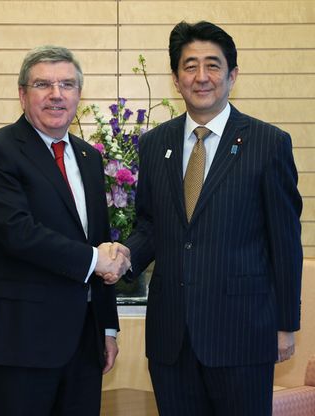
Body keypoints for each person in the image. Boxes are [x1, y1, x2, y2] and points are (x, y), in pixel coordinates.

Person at [103, 21, 303, 415]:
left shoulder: (268, 143)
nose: (201, 76)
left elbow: (284, 241)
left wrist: (285, 325)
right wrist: (125, 254)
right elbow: (151, 225)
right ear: (176, 79)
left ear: (232, 75)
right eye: (189, 66)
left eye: (213, 65)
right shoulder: (155, 143)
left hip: (242, 334)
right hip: (172, 336)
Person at [0, 45, 130, 416]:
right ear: (22, 94)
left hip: (83, 348)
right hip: (17, 345)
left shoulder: (89, 158)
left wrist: (107, 328)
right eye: (43, 84)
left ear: (78, 95)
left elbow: (99, 239)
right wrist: (96, 259)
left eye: (67, 85)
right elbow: (17, 232)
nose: (56, 95)